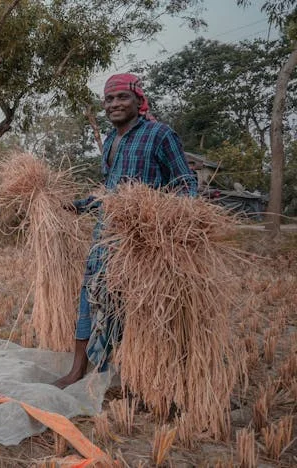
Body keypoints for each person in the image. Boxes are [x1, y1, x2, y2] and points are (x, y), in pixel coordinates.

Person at [53, 74, 197, 389]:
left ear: (138, 101)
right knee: (91, 299)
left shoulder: (160, 135)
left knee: (136, 309)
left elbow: (186, 183)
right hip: (105, 238)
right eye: (109, 99)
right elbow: (108, 191)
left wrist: (170, 222)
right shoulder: (111, 141)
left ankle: (141, 377)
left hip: (140, 244)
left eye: (122, 98)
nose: (115, 104)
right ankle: (78, 370)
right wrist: (76, 206)